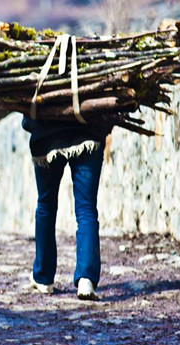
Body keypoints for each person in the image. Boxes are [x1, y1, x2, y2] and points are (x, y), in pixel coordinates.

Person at [21, 115, 112, 300]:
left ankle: (43, 278)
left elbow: (29, 116)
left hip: (46, 140)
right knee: (86, 209)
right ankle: (86, 279)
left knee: (46, 205)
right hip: (89, 134)